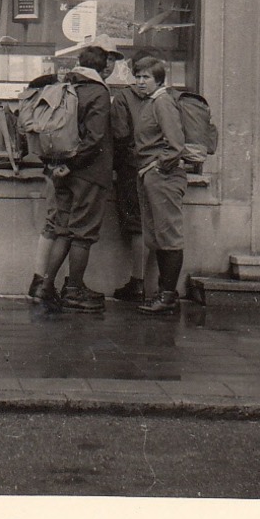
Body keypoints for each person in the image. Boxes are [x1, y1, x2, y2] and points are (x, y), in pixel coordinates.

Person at [29, 43, 115, 312]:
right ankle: (75, 290)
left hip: (62, 171)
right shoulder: (98, 91)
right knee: (83, 233)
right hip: (88, 172)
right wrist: (75, 163)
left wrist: (61, 164)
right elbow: (96, 138)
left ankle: (46, 285)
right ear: (102, 67)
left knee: (64, 229)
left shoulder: (68, 86)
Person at [132, 56, 188, 315]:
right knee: (157, 236)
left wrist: (157, 167)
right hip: (152, 174)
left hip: (163, 176)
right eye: (138, 76)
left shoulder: (163, 102)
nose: (140, 82)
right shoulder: (153, 102)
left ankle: (168, 295)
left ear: (158, 80)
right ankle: (165, 294)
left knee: (168, 236)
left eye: (146, 78)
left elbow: (175, 144)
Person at [108, 53, 155, 303]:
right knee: (153, 224)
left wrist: (117, 166)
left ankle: (137, 282)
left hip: (132, 167)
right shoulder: (165, 97)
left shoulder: (124, 97)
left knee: (137, 224)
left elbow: (120, 134)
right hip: (158, 168)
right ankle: (153, 285)